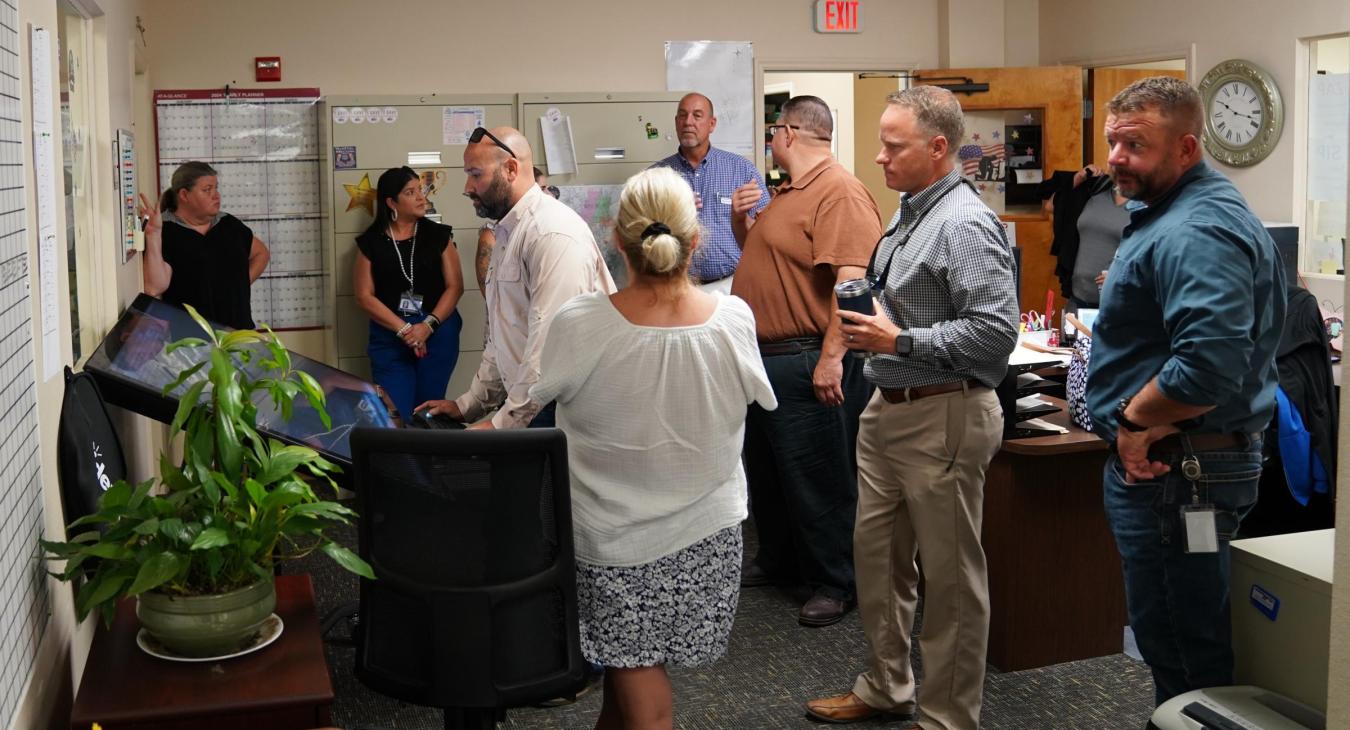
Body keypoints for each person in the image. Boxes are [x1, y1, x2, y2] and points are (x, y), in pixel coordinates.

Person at [530, 166, 776, 730]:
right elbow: (756, 404)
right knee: (630, 667)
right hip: (708, 536)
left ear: (615, 238)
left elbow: (535, 400)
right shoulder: (733, 319)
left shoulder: (583, 323)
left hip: (613, 538)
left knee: (636, 672)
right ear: (698, 239)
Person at [805, 86, 1018, 730]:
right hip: (888, 407)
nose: (880, 157)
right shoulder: (909, 212)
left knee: (950, 581)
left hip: (944, 413)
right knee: (878, 561)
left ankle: (947, 715)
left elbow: (996, 333)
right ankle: (886, 685)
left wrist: (899, 339)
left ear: (938, 148)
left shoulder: (963, 223)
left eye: (893, 147)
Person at [1085, 76, 1286, 707]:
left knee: (1181, 642)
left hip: (1180, 470)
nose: (1117, 158)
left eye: (1136, 146)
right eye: (1114, 143)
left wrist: (1133, 420)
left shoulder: (1196, 229)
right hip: (1181, 464)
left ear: (1187, 148)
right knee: (1178, 632)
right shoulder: (1175, 213)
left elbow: (1207, 365)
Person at [731, 95, 881, 627]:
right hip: (766, 357)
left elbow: (855, 287)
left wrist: (831, 358)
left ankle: (835, 581)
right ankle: (781, 560)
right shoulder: (790, 192)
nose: (770, 141)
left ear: (789, 133)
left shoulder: (838, 191)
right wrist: (739, 220)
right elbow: (767, 260)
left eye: (773, 132)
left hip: (808, 356)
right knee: (769, 474)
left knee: (819, 478)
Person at [417, 126, 615, 429]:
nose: (467, 187)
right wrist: (468, 405)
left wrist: (502, 425)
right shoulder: (508, 230)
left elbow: (548, 345)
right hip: (534, 405)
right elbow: (504, 336)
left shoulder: (551, 233)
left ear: (510, 169)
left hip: (561, 410)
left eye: (475, 174)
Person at [352, 166, 464, 421]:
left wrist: (427, 326)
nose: (421, 197)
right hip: (390, 333)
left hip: (437, 330)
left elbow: (455, 286)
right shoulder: (371, 242)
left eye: (420, 190)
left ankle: (431, 459)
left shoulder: (438, 236)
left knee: (429, 408)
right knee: (395, 409)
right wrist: (404, 330)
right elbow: (363, 296)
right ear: (391, 202)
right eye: (410, 192)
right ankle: (403, 460)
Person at [651, 92, 770, 293]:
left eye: (697, 115)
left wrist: (739, 216)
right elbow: (641, 236)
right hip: (675, 287)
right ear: (676, 122)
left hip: (731, 285)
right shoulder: (656, 176)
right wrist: (670, 215)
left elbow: (767, 229)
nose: (688, 122)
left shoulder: (741, 170)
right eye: (683, 115)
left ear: (712, 124)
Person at [139, 161, 269, 330]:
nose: (216, 196)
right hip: (190, 341)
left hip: (238, 334)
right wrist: (153, 235)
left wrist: (238, 285)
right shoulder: (165, 230)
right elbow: (153, 288)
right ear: (184, 195)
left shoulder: (229, 224)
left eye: (216, 188)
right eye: (207, 190)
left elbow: (261, 254)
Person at [1047, 163, 1129, 307]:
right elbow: (1051, 206)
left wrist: (1125, 276)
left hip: (1118, 305)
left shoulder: (1148, 206)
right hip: (1077, 299)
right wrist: (1077, 178)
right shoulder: (1095, 189)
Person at [475, 166, 557, 292]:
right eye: (541, 188)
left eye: (546, 188)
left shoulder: (544, 228)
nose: (547, 194)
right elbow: (488, 289)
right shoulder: (493, 234)